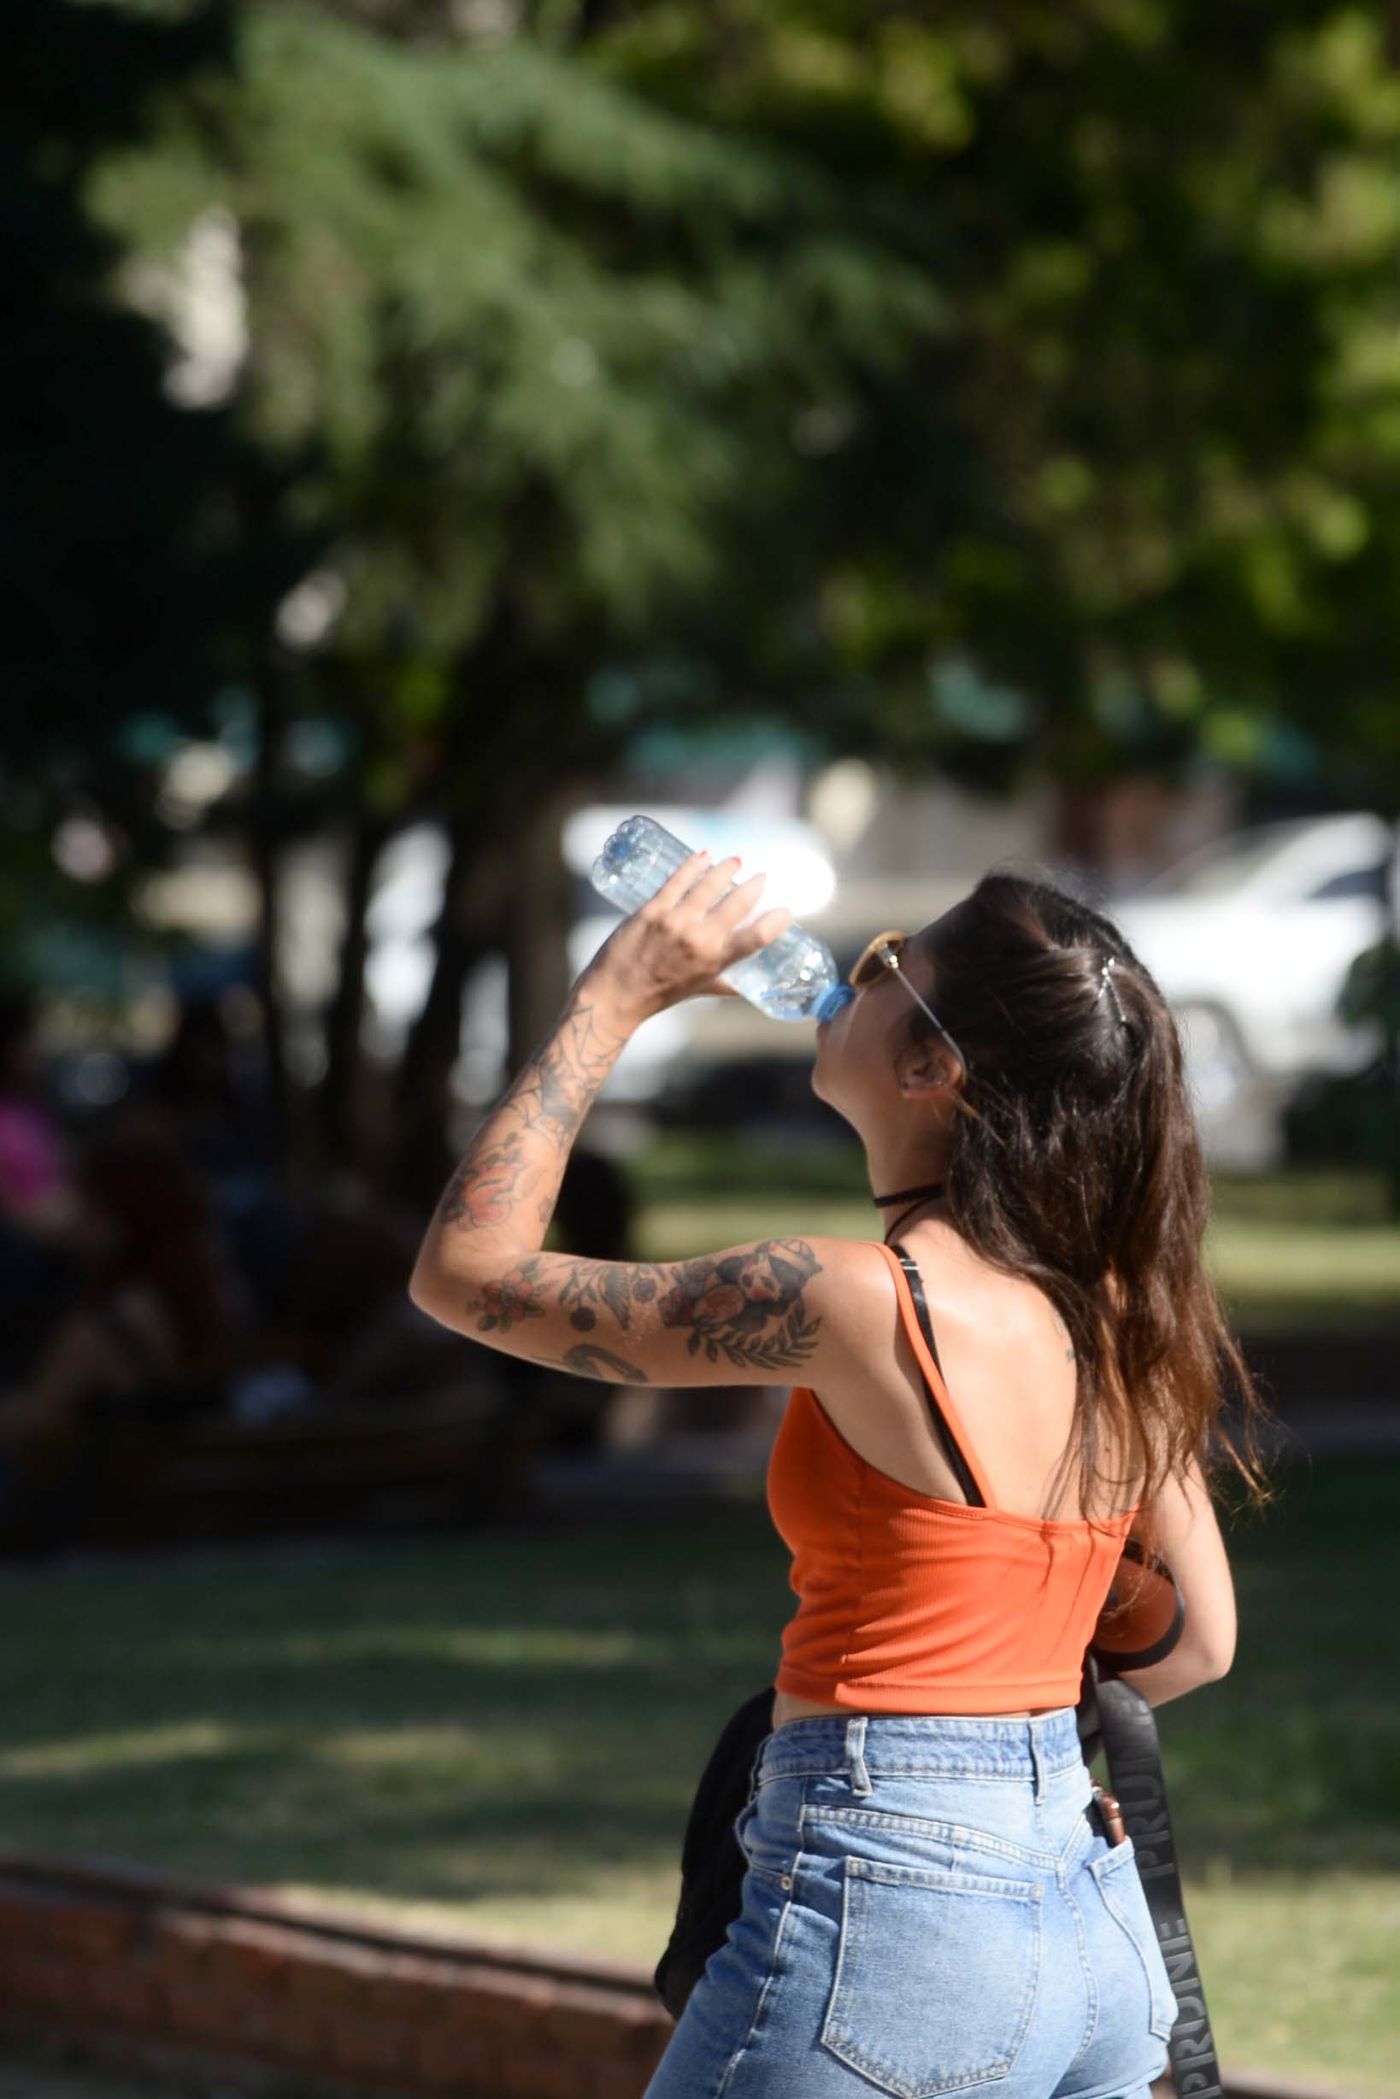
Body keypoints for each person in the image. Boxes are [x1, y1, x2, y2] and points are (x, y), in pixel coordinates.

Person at [407, 849, 1273, 2099]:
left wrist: (611, 998)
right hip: (1083, 1921)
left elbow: (464, 1275)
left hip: (895, 1916)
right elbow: (1196, 1644)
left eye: (886, 966)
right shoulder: (1110, 1311)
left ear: (932, 1069)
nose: (847, 974)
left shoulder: (854, 1297)